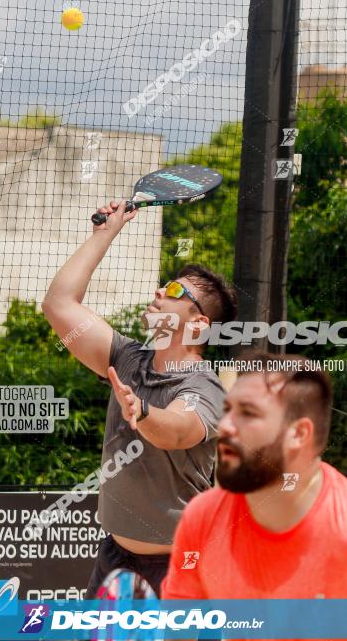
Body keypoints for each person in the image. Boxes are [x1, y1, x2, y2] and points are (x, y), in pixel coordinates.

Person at [41, 198, 238, 597]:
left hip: (180, 565)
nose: (159, 290)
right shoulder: (128, 357)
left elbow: (179, 431)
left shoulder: (205, 386)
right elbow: (58, 304)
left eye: (174, 289)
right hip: (115, 556)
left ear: (199, 323)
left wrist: (144, 413)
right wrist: (105, 232)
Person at [161, 352, 347, 631]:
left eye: (248, 413)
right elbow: (178, 629)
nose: (225, 425)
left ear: (299, 434)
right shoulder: (202, 517)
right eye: (227, 409)